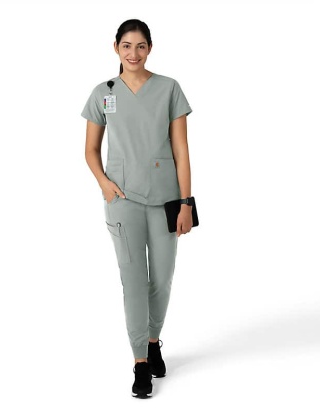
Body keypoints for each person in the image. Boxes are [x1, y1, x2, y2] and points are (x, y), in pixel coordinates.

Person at [81, 18, 193, 398]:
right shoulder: (103, 93)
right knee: (133, 282)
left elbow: (181, 151)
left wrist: (186, 202)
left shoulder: (169, 89)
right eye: (126, 46)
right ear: (116, 48)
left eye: (141, 46)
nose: (134, 53)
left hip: (165, 199)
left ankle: (153, 340)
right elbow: (90, 150)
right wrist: (104, 183)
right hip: (122, 201)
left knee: (161, 279)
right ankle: (140, 361)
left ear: (150, 48)